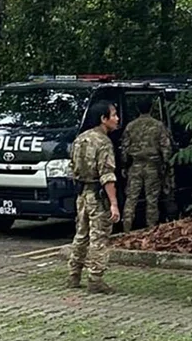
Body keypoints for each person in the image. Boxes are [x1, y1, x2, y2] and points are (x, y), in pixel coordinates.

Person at [68, 100, 121, 294]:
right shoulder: (104, 143)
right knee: (99, 237)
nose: (117, 119)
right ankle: (95, 279)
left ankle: (74, 274)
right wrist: (114, 203)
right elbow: (107, 175)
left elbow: (71, 169)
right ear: (103, 118)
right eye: (113, 115)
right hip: (97, 196)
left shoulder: (80, 139)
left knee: (80, 235)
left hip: (82, 193)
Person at [121, 97, 172, 231]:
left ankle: (126, 228)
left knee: (131, 199)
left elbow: (124, 149)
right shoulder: (158, 125)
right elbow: (166, 147)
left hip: (135, 166)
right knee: (152, 200)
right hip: (153, 166)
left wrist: (124, 165)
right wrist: (166, 165)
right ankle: (151, 229)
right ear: (151, 108)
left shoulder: (130, 126)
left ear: (137, 109)